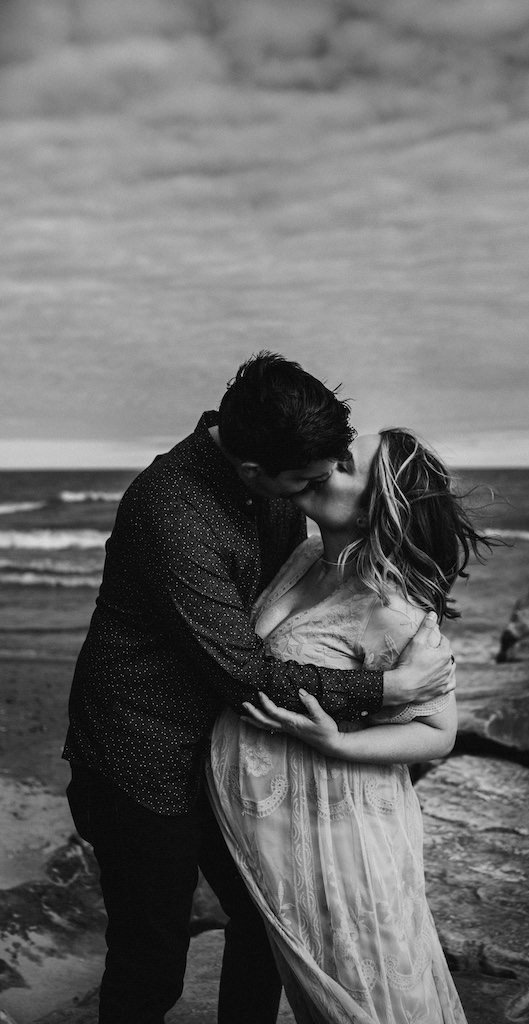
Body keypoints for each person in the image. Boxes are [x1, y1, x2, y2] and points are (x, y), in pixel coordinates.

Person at [63, 353, 454, 1024]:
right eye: (313, 474)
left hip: (220, 759)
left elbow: (303, 616)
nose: (326, 478)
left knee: (262, 923)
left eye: (339, 466)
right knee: (150, 957)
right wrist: (383, 688)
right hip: (141, 756)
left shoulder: (281, 487)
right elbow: (241, 668)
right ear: (253, 470)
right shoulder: (174, 511)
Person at [208, 427, 490, 1024]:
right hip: (280, 826)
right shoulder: (309, 554)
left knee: (364, 984)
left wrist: (339, 740)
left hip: (341, 827)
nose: (326, 467)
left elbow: (438, 732)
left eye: (345, 466)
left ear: (374, 510)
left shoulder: (391, 607)